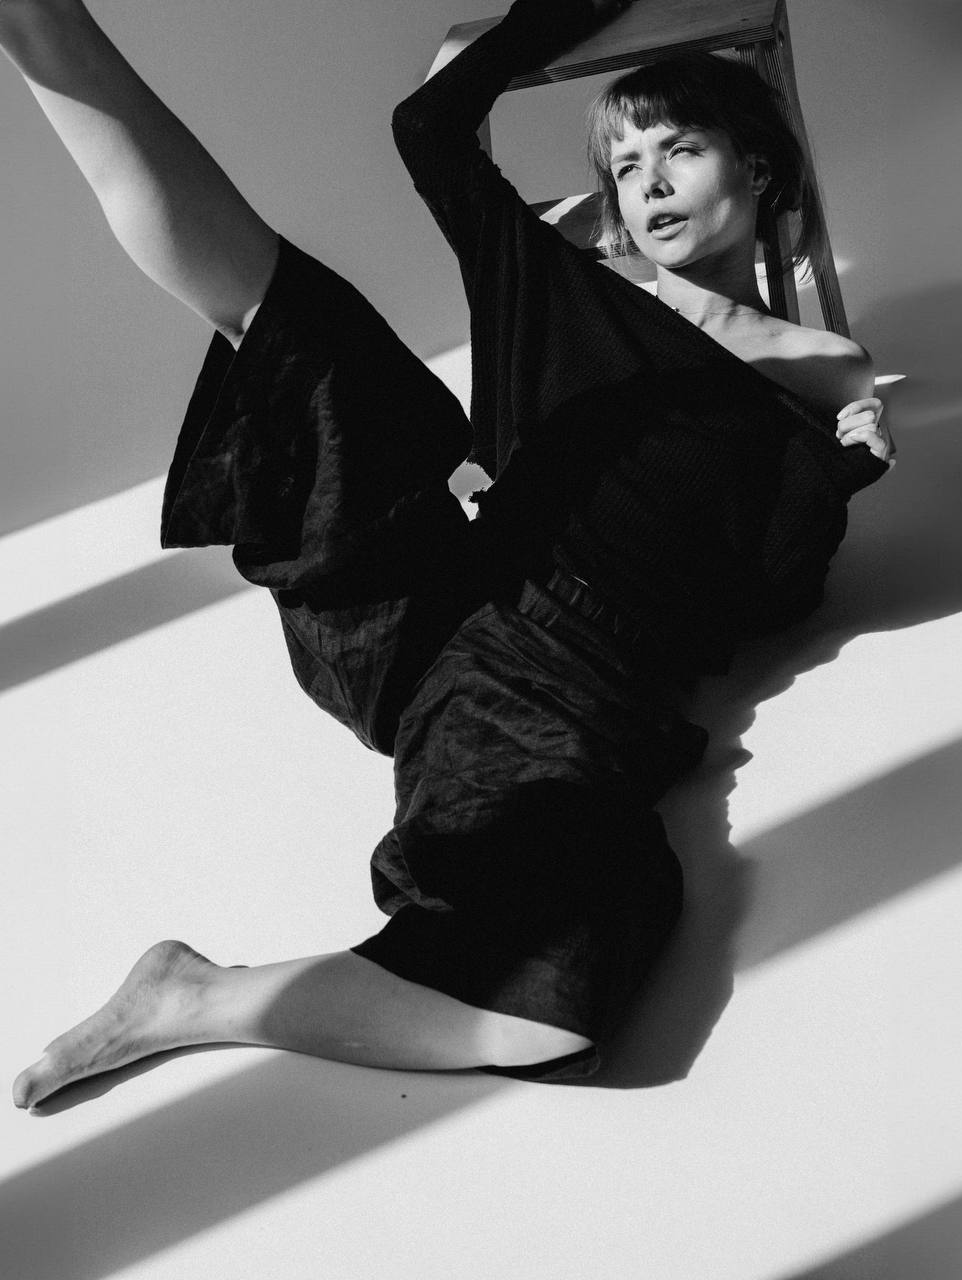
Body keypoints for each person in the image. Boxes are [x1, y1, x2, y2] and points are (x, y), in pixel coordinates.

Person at [6, 0, 892, 1110]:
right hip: (433, 583)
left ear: (757, 164)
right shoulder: (563, 282)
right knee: (299, 329)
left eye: (680, 148)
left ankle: (201, 995)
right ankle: (41, 27)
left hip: (549, 688)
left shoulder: (821, 371)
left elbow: (764, 599)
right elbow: (429, 125)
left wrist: (838, 480)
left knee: (556, 1004)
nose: (649, 181)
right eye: (624, 164)